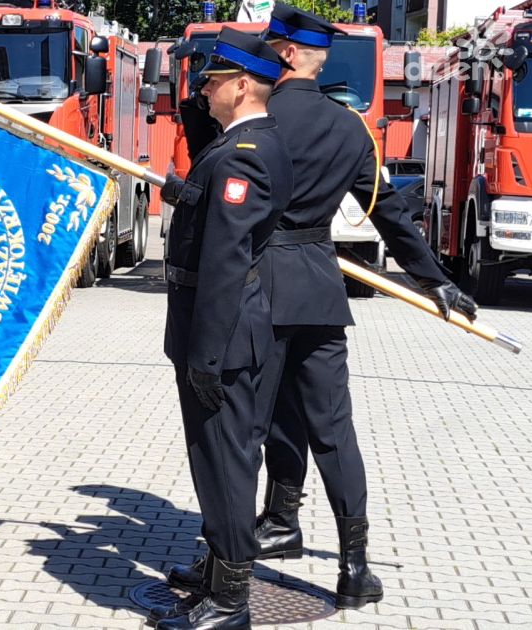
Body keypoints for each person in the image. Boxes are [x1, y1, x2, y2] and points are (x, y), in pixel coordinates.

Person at [161, 2, 479, 612]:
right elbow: (387, 212)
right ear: (318, 57)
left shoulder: (253, 115)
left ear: (279, 54)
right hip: (318, 288)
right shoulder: (350, 128)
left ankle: (241, 549)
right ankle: (354, 566)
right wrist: (433, 279)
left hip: (254, 287)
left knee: (243, 433)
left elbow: (215, 185)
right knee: (333, 429)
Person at [153, 28, 293, 630]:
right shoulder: (240, 145)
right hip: (214, 332)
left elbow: (226, 262)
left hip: (223, 336)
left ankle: (231, 598)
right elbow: (212, 206)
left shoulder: (247, 156)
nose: (204, 89)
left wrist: (206, 355)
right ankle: (218, 566)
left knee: (226, 461)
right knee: (211, 457)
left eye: (212, 81)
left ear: (241, 86)